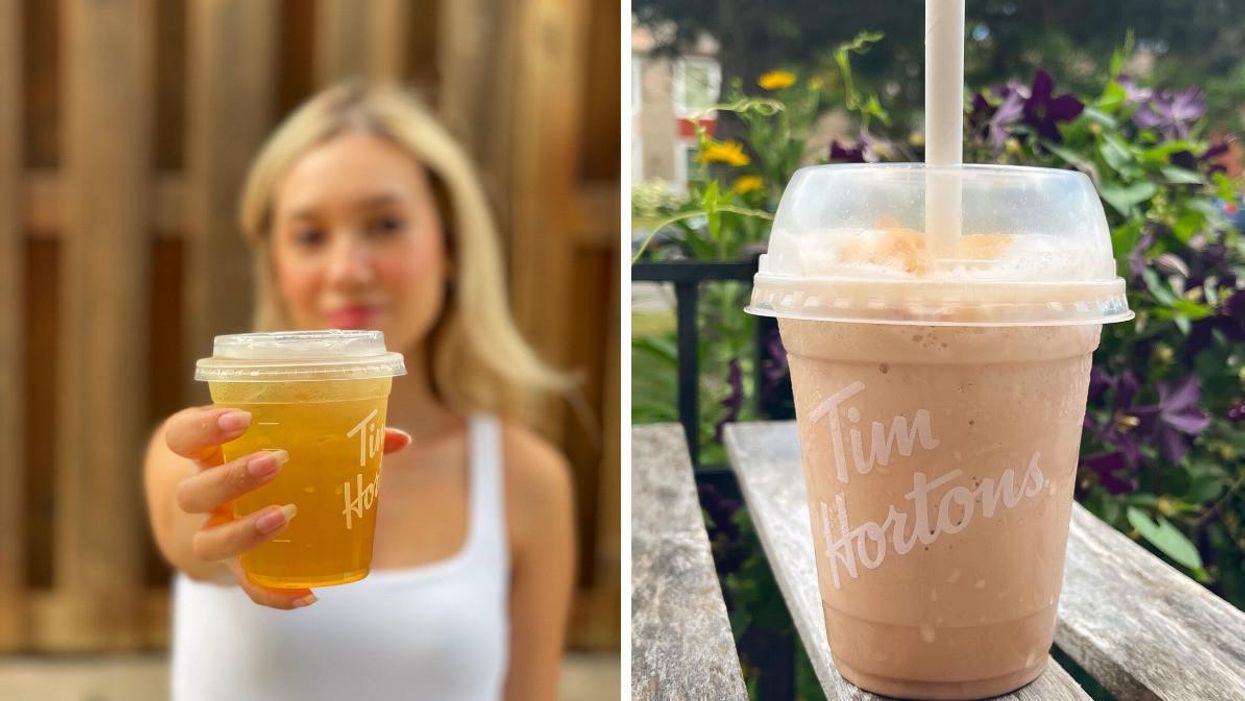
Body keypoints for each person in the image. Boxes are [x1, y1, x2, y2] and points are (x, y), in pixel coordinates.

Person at [143, 82, 576, 700]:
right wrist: (213, 530)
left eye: (385, 225)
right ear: (275, 265)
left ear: (451, 246)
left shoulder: (528, 481)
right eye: (309, 236)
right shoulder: (207, 454)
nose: (347, 269)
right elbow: (182, 520)